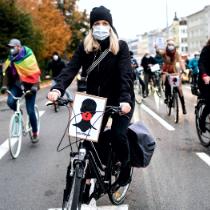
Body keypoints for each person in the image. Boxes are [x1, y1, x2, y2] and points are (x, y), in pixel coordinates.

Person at [48, 5, 135, 190]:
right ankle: (87, 176)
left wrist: (125, 100)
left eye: (105, 23)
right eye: (97, 23)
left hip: (121, 99)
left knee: (119, 135)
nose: (101, 26)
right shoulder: (85, 48)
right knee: (87, 140)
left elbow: (125, 75)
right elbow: (70, 69)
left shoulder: (121, 47)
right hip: (96, 101)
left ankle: (125, 170)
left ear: (110, 26)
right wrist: (58, 89)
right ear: (91, 26)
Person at [1, 39, 41, 142]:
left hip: (30, 86)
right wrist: (4, 86)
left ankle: (35, 132)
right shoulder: (10, 59)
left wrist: (35, 86)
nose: (11, 49)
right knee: (10, 102)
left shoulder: (28, 56)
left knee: (31, 111)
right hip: (16, 85)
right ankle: (18, 112)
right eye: (10, 47)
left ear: (19, 47)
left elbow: (35, 72)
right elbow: (5, 72)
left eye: (13, 47)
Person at [156, 39, 187, 114]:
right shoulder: (164, 52)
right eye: (169, 44)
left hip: (174, 71)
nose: (170, 46)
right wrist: (156, 48)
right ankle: (167, 98)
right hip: (166, 70)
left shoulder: (177, 53)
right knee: (166, 83)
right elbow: (159, 52)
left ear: (174, 46)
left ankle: (183, 106)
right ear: (167, 45)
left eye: (172, 44)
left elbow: (181, 61)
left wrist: (184, 70)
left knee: (179, 88)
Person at [198, 39, 210, 132]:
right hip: (205, 80)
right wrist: (205, 75)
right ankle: (202, 120)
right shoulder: (206, 49)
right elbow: (201, 63)